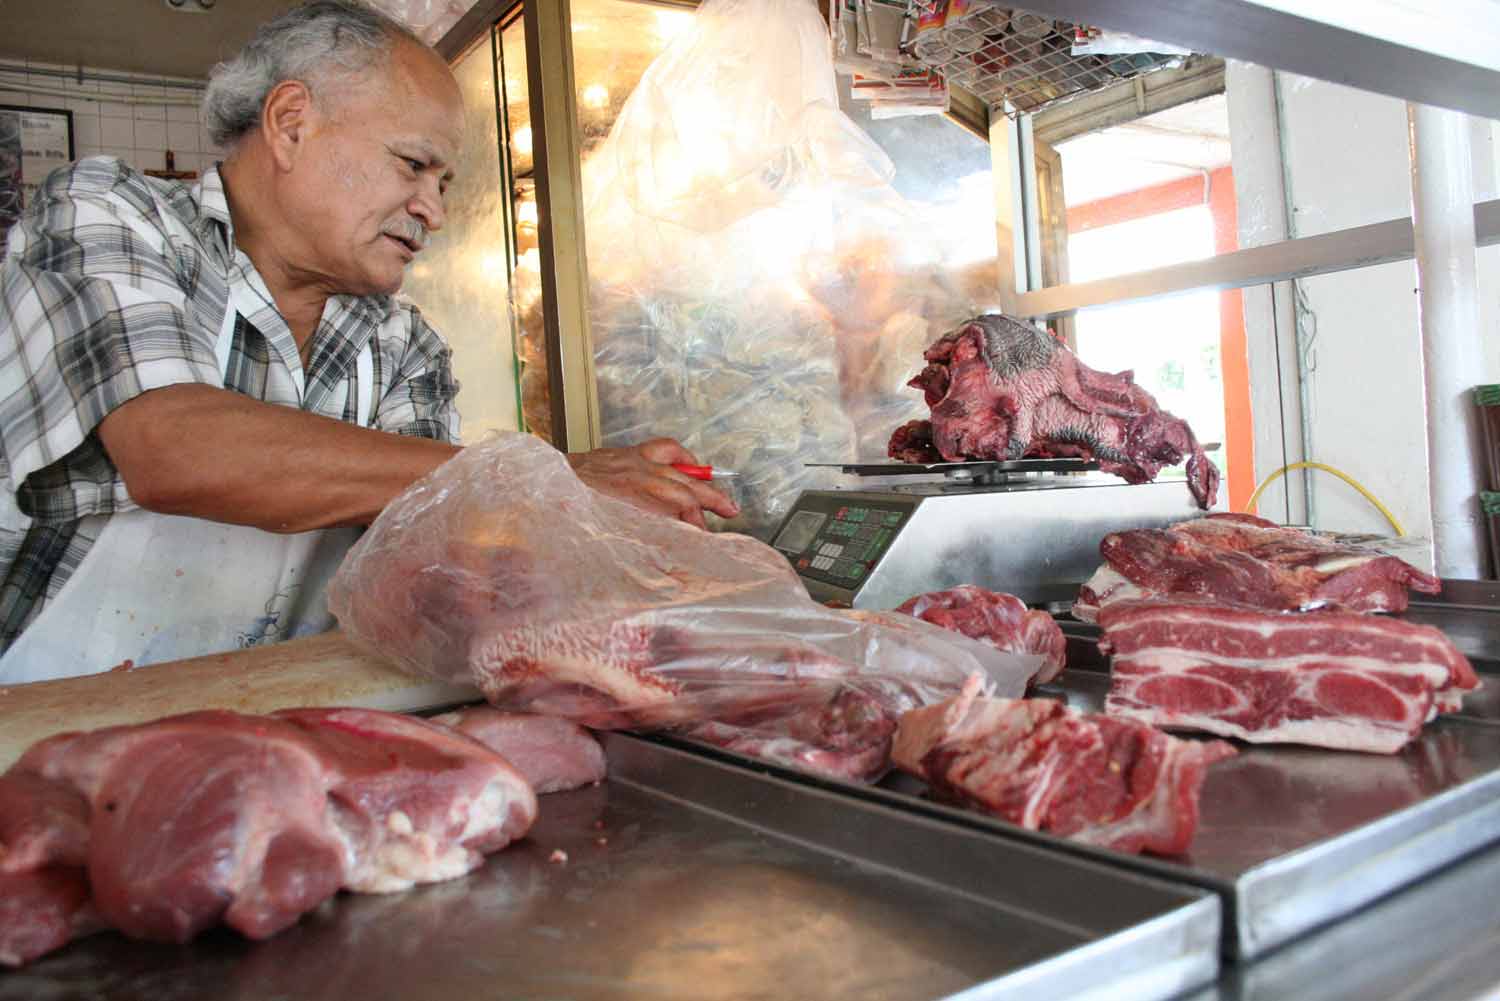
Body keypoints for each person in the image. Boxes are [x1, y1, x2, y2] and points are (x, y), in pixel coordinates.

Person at [0, 0, 737, 682]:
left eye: (446, 182)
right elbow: (174, 447)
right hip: (42, 716)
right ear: (291, 123)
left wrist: (606, 542)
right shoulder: (113, 215)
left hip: (269, 719)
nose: (433, 210)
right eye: (414, 164)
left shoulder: (402, 341)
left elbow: (422, 560)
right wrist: (547, 474)